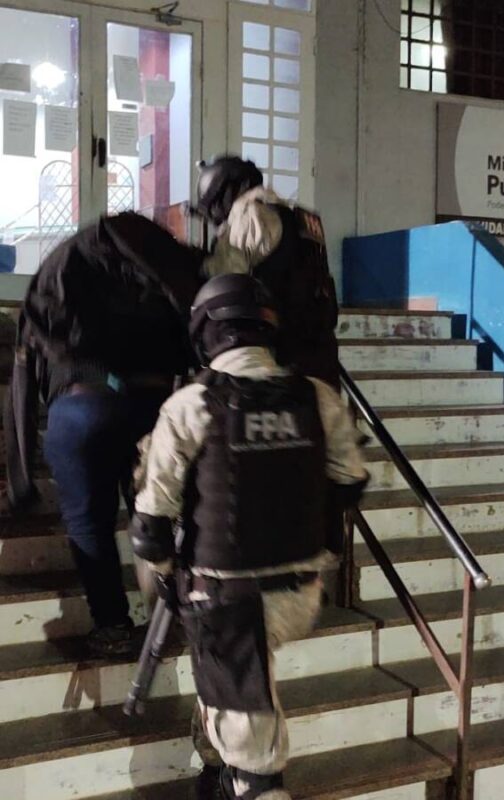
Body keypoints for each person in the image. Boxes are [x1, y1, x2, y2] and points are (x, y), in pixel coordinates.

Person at [129, 273, 368, 800]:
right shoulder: (318, 397)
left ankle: (246, 780)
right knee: (231, 696)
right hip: (301, 593)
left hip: (226, 604)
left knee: (257, 763)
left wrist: (167, 577)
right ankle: (220, 772)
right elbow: (350, 482)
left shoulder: (191, 404)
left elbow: (150, 527)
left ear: (205, 331)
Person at [3, 211, 203, 657]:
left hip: (80, 409)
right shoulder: (162, 270)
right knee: (153, 515)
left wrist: (21, 475)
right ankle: (168, 621)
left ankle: (112, 626)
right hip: (155, 410)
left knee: (88, 523)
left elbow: (23, 368)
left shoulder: (60, 269)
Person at [195, 155, 340, 389]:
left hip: (278, 357)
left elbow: (222, 280)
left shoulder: (248, 213)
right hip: (320, 351)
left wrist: (201, 262)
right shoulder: (299, 219)